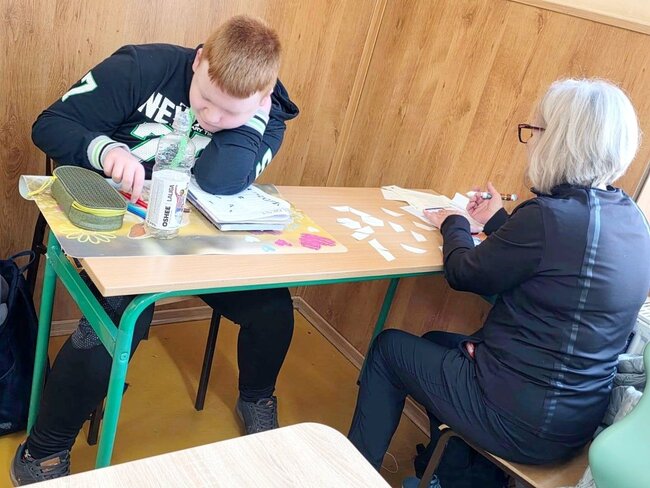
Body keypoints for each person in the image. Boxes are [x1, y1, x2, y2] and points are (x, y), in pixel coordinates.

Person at [11, 15, 299, 485]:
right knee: (115, 321)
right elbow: (50, 125)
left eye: (231, 113)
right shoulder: (141, 67)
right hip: (119, 228)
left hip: (197, 241)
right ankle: (41, 451)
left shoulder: (268, 114)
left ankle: (256, 398)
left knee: (273, 308)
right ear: (199, 60)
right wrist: (105, 151)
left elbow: (220, 180)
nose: (212, 119)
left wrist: (253, 120)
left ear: (262, 98)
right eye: (205, 99)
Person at [348, 79, 650, 488]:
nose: (529, 142)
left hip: (523, 421)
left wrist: (454, 222)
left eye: (534, 131)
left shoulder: (548, 216)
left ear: (558, 142)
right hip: (577, 419)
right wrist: (497, 221)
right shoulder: (631, 218)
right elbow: (558, 267)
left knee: (388, 349)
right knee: (437, 343)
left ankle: (349, 476)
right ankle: (453, 477)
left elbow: (463, 272)